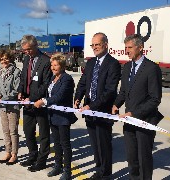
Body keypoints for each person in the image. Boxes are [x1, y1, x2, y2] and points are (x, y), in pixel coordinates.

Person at [112, 34, 163, 180]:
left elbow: (155, 99)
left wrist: (133, 113)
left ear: (140, 48)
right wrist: (116, 104)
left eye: (129, 47)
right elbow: (123, 92)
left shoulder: (152, 68)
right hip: (129, 122)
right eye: (125, 47)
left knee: (143, 159)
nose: (126, 50)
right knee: (132, 158)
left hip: (144, 120)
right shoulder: (127, 67)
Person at [74, 32, 121, 179]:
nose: (94, 48)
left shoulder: (113, 64)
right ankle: (99, 170)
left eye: (97, 45)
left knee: (104, 146)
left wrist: (92, 106)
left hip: (102, 112)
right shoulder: (90, 62)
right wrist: (77, 98)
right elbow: (82, 83)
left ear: (105, 45)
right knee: (95, 145)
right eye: (92, 45)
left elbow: (109, 91)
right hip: (89, 112)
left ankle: (105, 174)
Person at [34, 53, 77, 180]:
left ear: (62, 65)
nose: (53, 67)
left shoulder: (67, 79)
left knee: (65, 144)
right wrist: (43, 99)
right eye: (52, 65)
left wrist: (44, 102)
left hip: (63, 117)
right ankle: (57, 166)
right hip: (52, 115)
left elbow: (60, 96)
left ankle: (67, 171)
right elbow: (50, 94)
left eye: (56, 65)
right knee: (57, 144)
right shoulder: (53, 78)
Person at [18, 34, 52, 172]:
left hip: (39, 103)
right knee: (28, 131)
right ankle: (33, 154)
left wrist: (31, 98)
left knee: (43, 134)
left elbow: (45, 85)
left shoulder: (45, 61)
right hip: (27, 103)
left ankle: (42, 160)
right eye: (24, 50)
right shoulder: (27, 59)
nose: (26, 52)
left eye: (29, 49)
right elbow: (23, 78)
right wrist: (20, 91)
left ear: (35, 46)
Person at [0, 50, 21, 165]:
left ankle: (14, 154)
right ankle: (8, 151)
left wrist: (5, 98)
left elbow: (16, 90)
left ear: (11, 59)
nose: (4, 61)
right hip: (2, 106)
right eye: (1, 59)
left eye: (6, 58)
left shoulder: (16, 72)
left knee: (13, 131)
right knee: (5, 131)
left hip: (12, 105)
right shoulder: (0, 72)